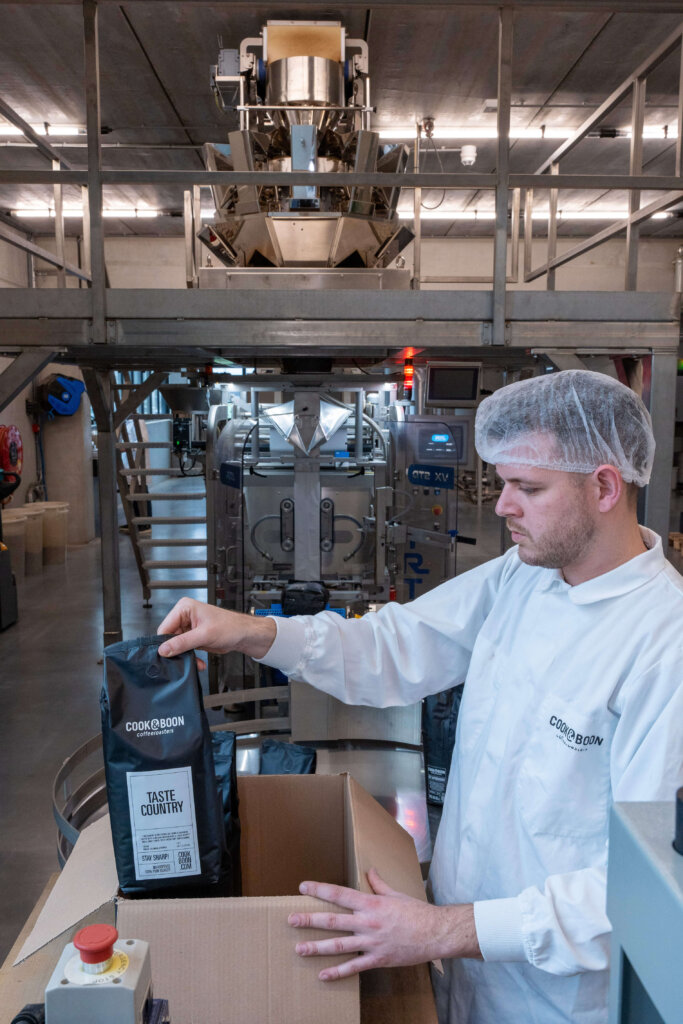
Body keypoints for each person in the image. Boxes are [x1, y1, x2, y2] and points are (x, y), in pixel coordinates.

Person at [157, 369, 683, 1024]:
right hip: (465, 973)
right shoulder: (522, 581)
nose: (499, 506)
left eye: (527, 487)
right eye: (500, 484)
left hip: (557, 1000)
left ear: (604, 486)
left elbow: (645, 891)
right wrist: (255, 633)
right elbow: (394, 647)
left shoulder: (664, 650)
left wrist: (439, 931)